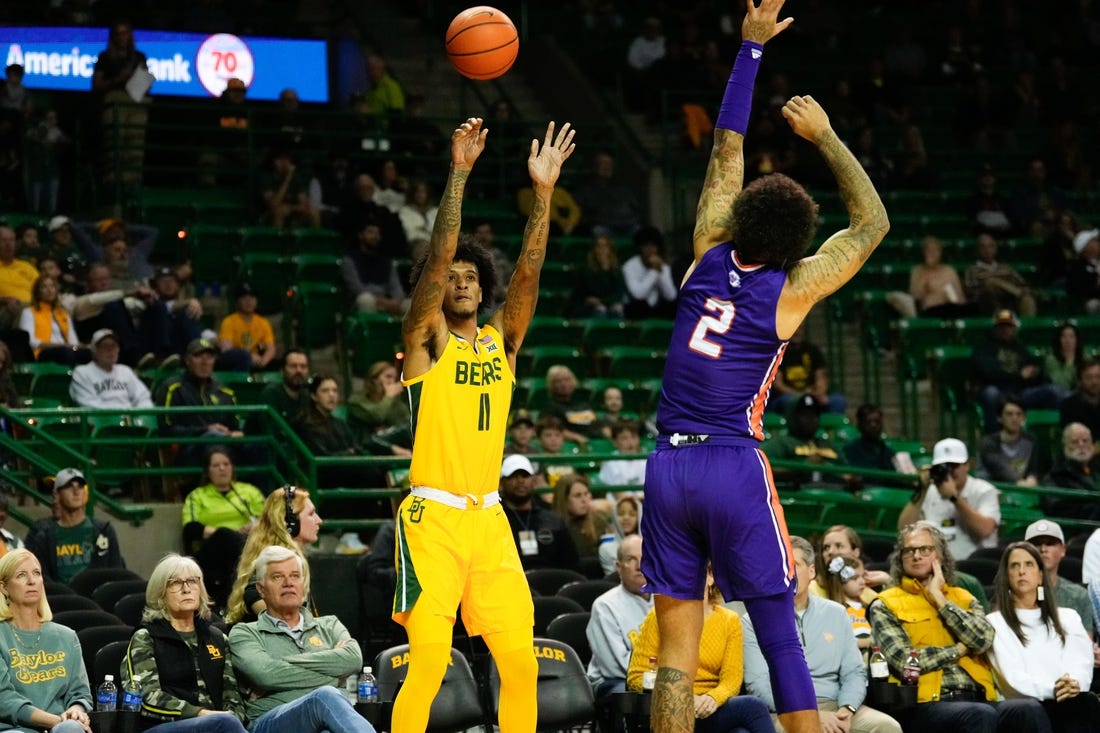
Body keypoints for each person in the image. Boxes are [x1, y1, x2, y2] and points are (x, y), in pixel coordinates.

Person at [641, 2, 893, 730]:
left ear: (743, 217)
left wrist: (750, 50)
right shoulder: (793, 288)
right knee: (778, 628)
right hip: (730, 462)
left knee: (674, 656)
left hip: (667, 464)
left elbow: (727, 145)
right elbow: (872, 222)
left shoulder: (705, 249)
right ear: (800, 238)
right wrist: (824, 136)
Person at [391, 116, 575, 733]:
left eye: (473, 277)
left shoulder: (502, 343)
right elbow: (441, 254)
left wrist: (543, 195)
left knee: (521, 664)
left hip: (490, 518)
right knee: (430, 663)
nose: (463, 282)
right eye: (454, 278)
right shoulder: (427, 340)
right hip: (432, 518)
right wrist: (460, 172)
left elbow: (529, 273)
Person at [868, 521, 1050, 731]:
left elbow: (982, 639)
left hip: (979, 696)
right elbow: (906, 662)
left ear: (940, 555)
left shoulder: (963, 598)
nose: (916, 556)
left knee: (1028, 708)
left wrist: (940, 599)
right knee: (979, 714)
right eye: (909, 550)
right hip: (925, 703)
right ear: (900, 558)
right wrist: (959, 649)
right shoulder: (885, 603)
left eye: (925, 549)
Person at [742, 536, 901, 733]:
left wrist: (847, 708)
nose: (786, 572)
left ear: (811, 571)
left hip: (837, 705)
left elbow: (854, 672)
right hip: (784, 710)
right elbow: (758, 684)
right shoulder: (753, 620)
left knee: (887, 727)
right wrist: (808, 714)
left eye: (793, 565)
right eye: (780, 565)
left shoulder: (837, 613)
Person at [227, 546, 375, 733]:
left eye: (295, 576)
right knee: (325, 696)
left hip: (327, 720)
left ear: (303, 585)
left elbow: (354, 659)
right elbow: (266, 675)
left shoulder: (329, 625)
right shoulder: (245, 633)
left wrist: (281, 663)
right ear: (261, 589)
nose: (288, 582)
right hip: (272, 721)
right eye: (278, 577)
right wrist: (334, 678)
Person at [628, 566, 774, 733]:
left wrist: (712, 698)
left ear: (710, 577)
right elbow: (636, 676)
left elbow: (731, 680)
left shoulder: (729, 621)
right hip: (672, 708)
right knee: (753, 706)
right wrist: (683, 696)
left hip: (711, 707)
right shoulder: (658, 616)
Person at [122, 554, 248, 733]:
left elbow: (233, 694)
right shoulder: (146, 637)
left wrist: (231, 716)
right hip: (162, 726)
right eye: (175, 583)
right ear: (160, 593)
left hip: (217, 724)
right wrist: (201, 714)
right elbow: (145, 696)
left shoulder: (217, 638)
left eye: (192, 581)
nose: (186, 589)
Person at [986, 541, 1099, 732]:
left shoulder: (1068, 617)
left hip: (1065, 701)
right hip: (1024, 706)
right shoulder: (994, 622)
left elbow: (1080, 662)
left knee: (1085, 701)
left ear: (1040, 576)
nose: (1022, 571)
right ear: (1007, 576)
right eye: (1015, 565)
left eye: (1029, 564)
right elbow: (1011, 679)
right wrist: (1053, 689)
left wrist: (1073, 684)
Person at [0, 549, 92, 733]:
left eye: (36, 573)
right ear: (3, 587)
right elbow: (4, 700)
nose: (32, 581)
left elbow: (80, 694)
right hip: (15, 728)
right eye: (21, 575)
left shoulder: (66, 636)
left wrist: (76, 711)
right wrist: (56, 720)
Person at [225, 486, 323, 624]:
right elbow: (253, 594)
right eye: (311, 514)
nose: (319, 520)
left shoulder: (288, 559)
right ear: (291, 521)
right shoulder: (273, 562)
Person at [181, 448, 265, 608]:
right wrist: (228, 533)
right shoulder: (197, 495)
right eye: (216, 465)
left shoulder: (249, 492)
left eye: (226, 464)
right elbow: (191, 529)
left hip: (246, 545)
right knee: (225, 535)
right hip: (211, 552)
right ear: (208, 471)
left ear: (232, 468)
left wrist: (253, 527)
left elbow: (267, 519)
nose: (222, 468)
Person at [897, 438, 1000, 559]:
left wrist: (954, 497)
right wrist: (921, 490)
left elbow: (984, 530)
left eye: (954, 465)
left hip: (972, 565)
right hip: (934, 564)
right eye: (943, 466)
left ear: (968, 465)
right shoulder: (930, 491)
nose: (949, 471)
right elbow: (903, 530)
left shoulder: (984, 490)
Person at [154, 338, 244, 467]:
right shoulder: (172, 388)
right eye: (198, 356)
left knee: (259, 448)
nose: (205, 362)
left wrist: (233, 434)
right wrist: (205, 430)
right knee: (213, 438)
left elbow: (235, 428)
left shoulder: (225, 391)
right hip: (188, 450)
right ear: (187, 360)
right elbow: (167, 430)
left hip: (225, 446)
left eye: (209, 356)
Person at [25, 468, 124, 584]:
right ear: (56, 495)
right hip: (60, 599)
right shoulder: (43, 536)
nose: (76, 491)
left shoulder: (104, 531)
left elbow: (117, 574)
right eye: (68, 486)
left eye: (80, 486)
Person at [971, 309, 1061, 432]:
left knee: (1052, 391)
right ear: (995, 328)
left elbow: (1033, 367)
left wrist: (1035, 372)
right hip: (998, 391)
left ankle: (1050, 434)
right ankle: (995, 437)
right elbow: (988, 373)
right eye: (1001, 326)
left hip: (1020, 393)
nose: (1005, 330)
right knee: (990, 393)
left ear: (1014, 328)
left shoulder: (1020, 348)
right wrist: (1018, 375)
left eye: (1008, 326)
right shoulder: (984, 348)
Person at [586, 535, 652, 697]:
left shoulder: (667, 601)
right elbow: (615, 667)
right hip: (614, 682)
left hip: (656, 677)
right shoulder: (605, 606)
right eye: (631, 559)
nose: (639, 566)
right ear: (618, 566)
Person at [91, 20, 150, 187]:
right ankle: (113, 183)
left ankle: (133, 182)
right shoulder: (105, 57)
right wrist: (118, 79)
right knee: (115, 143)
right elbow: (97, 85)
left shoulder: (139, 57)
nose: (122, 37)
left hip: (136, 102)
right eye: (119, 33)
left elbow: (145, 82)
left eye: (126, 33)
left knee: (135, 145)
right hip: (115, 101)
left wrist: (140, 79)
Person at [499, 454, 581, 572]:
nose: (520, 481)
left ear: (534, 480)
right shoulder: (495, 521)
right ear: (502, 482)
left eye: (525, 475)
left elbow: (572, 564)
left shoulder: (553, 520)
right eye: (513, 476)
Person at [1023, 520, 1094, 636]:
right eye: (1036, 544)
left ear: (1063, 550)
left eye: (1050, 543)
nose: (1043, 549)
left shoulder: (1079, 596)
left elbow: (1085, 644)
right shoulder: (1011, 593)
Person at [769, 324, 847, 415]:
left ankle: (830, 429)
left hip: (811, 393)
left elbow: (821, 378)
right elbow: (778, 385)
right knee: (787, 400)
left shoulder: (813, 351)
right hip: (786, 396)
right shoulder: (778, 353)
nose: (797, 332)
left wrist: (818, 393)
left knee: (838, 401)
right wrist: (800, 396)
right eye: (793, 329)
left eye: (800, 329)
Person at [68, 328, 152, 408]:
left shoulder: (125, 371)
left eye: (113, 346)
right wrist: (121, 412)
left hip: (129, 420)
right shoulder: (82, 373)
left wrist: (137, 414)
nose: (110, 350)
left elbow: (143, 397)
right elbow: (87, 404)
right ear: (94, 350)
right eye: (104, 346)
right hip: (100, 420)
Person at [19, 275, 90, 366]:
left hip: (67, 349)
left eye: (52, 286)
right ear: (37, 292)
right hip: (43, 352)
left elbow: (73, 341)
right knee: (66, 352)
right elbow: (30, 341)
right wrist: (60, 345)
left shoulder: (63, 313)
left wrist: (77, 346)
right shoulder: (29, 312)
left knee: (88, 353)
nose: (49, 290)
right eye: (44, 287)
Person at [964, 233, 1037, 317]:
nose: (987, 250)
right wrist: (992, 285)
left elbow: (1022, 284)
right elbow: (971, 292)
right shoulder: (972, 270)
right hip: (989, 303)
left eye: (991, 246)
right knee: (990, 282)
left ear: (996, 249)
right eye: (983, 247)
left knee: (1027, 299)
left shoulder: (1006, 268)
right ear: (977, 250)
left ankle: (1025, 328)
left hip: (1011, 301)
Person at [976, 397, 1040, 485]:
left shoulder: (1030, 441)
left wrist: (1032, 477)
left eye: (1019, 414)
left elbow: (1033, 469)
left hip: (1022, 491)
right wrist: (1019, 482)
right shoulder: (988, 443)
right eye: (1009, 414)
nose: (1015, 418)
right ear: (999, 418)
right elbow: (1000, 468)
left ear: (1024, 418)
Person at [551, 472, 611, 563]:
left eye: (586, 494)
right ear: (564, 499)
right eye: (578, 495)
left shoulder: (599, 520)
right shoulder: (553, 527)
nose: (584, 500)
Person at [621, 225, 677, 320]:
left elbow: (671, 296)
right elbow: (638, 294)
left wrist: (661, 272)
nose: (650, 250)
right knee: (638, 306)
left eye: (653, 246)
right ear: (640, 248)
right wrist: (654, 271)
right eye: (646, 246)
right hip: (636, 310)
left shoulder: (662, 266)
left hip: (656, 309)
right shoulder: (629, 266)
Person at [906, 235, 970, 319]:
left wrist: (942, 297)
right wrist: (925, 281)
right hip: (928, 312)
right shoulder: (917, 271)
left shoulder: (949, 271)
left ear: (940, 252)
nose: (932, 253)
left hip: (951, 309)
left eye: (935, 250)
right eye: (929, 250)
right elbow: (915, 297)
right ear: (923, 252)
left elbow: (959, 298)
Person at [217, 284, 277, 371]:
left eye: (252, 297)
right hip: (237, 361)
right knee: (243, 356)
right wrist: (249, 356)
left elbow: (270, 348)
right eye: (244, 297)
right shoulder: (229, 321)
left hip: (257, 361)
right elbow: (226, 349)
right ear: (237, 301)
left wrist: (263, 362)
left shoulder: (263, 322)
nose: (248, 301)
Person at [347, 360, 410, 441]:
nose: (392, 382)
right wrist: (389, 396)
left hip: (393, 445)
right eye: (388, 377)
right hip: (366, 446)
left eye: (394, 378)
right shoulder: (356, 401)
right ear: (374, 379)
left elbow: (406, 423)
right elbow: (377, 416)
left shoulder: (394, 403)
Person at [567, 233, 626, 318]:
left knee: (618, 309)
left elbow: (619, 293)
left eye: (605, 246)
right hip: (586, 307)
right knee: (600, 310)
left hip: (607, 304)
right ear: (594, 250)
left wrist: (602, 301)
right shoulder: (585, 270)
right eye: (598, 246)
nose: (602, 250)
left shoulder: (616, 270)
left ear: (610, 250)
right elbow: (584, 294)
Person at [253, 349, 310, 429]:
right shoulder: (270, 394)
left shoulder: (307, 396)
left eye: (303, 366)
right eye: (293, 366)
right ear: (282, 370)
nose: (299, 371)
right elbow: (272, 432)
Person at [0, 224, 39, 332]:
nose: (8, 244)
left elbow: (41, 287)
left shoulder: (26, 266)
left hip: (31, 305)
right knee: (24, 310)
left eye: (11, 240)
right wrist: (4, 300)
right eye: (3, 240)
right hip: (4, 308)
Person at [841, 403, 898, 472]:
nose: (873, 425)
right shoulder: (849, 452)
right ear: (859, 425)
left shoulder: (889, 454)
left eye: (877, 422)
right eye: (868, 422)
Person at [596, 420, 648, 491]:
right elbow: (618, 494)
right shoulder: (610, 462)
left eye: (633, 437)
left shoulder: (646, 459)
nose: (630, 443)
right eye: (624, 438)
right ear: (614, 442)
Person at [1060, 359, 1100, 441]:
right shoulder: (1069, 406)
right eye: (1088, 377)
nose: (1094, 382)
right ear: (1080, 381)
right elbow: (1071, 440)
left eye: (1098, 377)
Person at [1044, 322, 1083, 394]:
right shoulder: (1051, 359)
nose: (1068, 341)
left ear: (1077, 340)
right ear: (1059, 340)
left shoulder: (1084, 357)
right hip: (1058, 396)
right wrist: (1069, 362)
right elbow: (1061, 386)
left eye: (1071, 337)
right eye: (1063, 336)